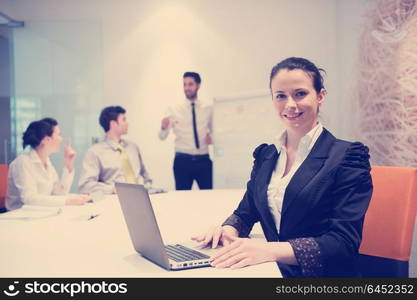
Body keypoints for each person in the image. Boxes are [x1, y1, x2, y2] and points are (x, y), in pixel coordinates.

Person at [192, 57, 373, 277]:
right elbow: (246, 212)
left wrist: (268, 250)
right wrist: (226, 231)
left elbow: (343, 243)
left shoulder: (347, 157)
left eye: (300, 93)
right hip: (271, 270)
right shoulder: (266, 155)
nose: (290, 104)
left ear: (320, 96)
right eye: (280, 96)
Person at [6, 118, 89, 211]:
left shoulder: (46, 161)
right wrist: (67, 201)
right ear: (47, 139)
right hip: (19, 217)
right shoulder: (22, 162)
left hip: (40, 213)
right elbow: (29, 199)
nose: (61, 139)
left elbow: (59, 193)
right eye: (58, 134)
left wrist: (68, 164)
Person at [78, 106, 152, 195]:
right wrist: (113, 190)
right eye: (124, 120)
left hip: (143, 197)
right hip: (115, 201)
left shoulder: (133, 147)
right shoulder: (95, 152)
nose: (127, 123)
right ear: (113, 124)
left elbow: (145, 176)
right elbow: (85, 185)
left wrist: (146, 187)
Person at [159, 72, 213, 190]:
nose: (187, 88)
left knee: (209, 197)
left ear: (198, 85)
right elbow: (162, 136)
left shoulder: (208, 108)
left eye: (190, 84)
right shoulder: (173, 109)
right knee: (182, 198)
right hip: (182, 161)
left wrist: (212, 138)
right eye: (184, 84)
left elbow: (215, 132)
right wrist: (163, 127)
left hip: (203, 160)